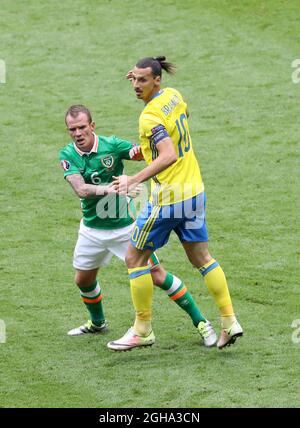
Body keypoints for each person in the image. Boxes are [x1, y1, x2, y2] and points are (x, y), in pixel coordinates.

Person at [107, 57, 243, 351]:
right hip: (195, 191)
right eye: (133, 79)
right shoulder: (174, 96)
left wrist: (133, 180)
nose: (135, 85)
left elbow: (168, 155)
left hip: (169, 198)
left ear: (157, 79)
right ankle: (229, 321)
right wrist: (142, 74)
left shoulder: (149, 117)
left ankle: (142, 330)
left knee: (135, 259)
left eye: (142, 80)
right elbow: (179, 131)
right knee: (202, 259)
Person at [58, 104, 217, 346]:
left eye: (81, 127)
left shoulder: (111, 145)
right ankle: (98, 323)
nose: (77, 133)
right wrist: (110, 189)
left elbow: (143, 152)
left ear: (92, 126)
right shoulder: (68, 155)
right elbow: (80, 189)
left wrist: (163, 142)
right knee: (83, 281)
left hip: (125, 229)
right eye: (72, 129)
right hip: (91, 230)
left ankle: (202, 323)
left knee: (157, 275)